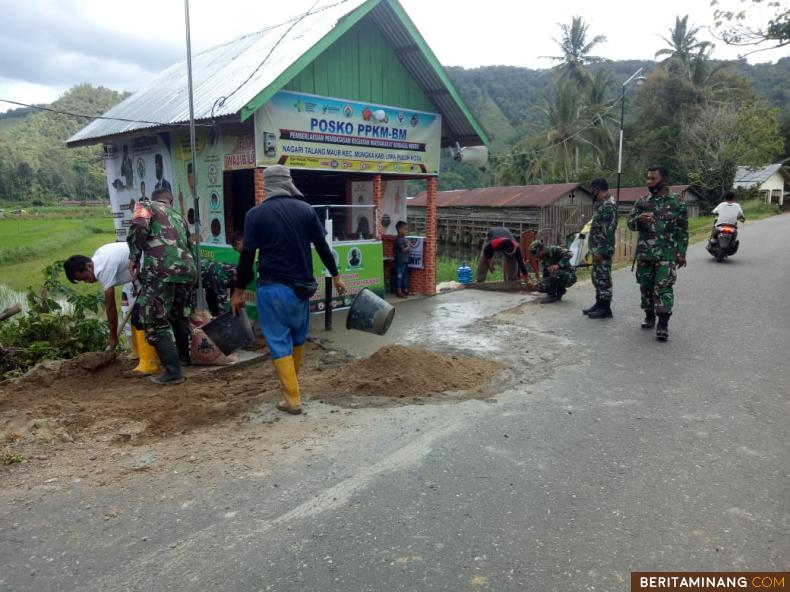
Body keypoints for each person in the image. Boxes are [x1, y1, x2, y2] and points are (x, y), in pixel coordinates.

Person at [231, 165, 347, 415]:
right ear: (288, 183)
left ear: (267, 186)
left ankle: (292, 398)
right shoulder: (306, 210)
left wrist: (239, 290)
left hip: (273, 288)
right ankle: (291, 386)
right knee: (296, 337)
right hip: (303, 289)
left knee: (277, 339)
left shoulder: (256, 214)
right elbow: (323, 247)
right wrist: (336, 276)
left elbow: (247, 256)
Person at [127, 188, 197, 384]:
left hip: (161, 270)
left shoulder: (144, 205)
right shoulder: (179, 216)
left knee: (154, 320)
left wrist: (134, 257)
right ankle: (184, 359)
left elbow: (139, 228)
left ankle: (174, 372)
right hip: (187, 271)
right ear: (171, 201)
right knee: (178, 315)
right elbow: (188, 245)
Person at [626, 165, 688, 342]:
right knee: (645, 287)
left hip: (667, 255)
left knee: (663, 287)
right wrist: (638, 220)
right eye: (647, 178)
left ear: (664, 180)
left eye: (653, 178)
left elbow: (683, 231)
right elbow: (630, 224)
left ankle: (663, 324)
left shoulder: (677, 203)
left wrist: (681, 253)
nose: (649, 182)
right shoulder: (642, 201)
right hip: (645, 254)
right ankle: (649, 315)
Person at [63, 242, 134, 351]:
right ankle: (142, 356)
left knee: (142, 319)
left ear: (89, 266)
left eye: (85, 278)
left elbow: (110, 306)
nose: (87, 282)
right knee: (139, 318)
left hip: (157, 265)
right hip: (146, 268)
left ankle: (149, 361)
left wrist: (113, 336)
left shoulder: (103, 268)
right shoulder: (98, 256)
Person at [584, 178, 618, 319]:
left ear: (598, 188)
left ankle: (605, 308)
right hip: (597, 249)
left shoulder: (609, 205)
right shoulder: (604, 204)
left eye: (593, 190)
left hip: (602, 250)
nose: (592, 193)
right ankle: (599, 303)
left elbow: (607, 231)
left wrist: (600, 251)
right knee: (597, 277)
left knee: (603, 278)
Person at [393, 220, 410, 298]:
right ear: (400, 230)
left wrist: (407, 245)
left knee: (405, 276)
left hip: (405, 261)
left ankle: (405, 289)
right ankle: (399, 291)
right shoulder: (398, 240)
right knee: (399, 276)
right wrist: (408, 246)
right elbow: (403, 250)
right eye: (405, 229)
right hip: (399, 262)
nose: (407, 231)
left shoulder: (404, 239)